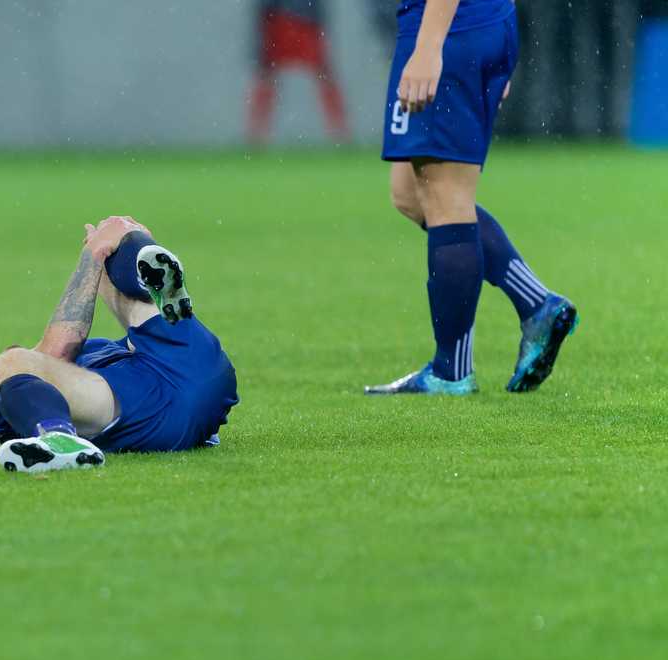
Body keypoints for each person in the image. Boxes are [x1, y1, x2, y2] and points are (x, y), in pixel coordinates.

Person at [366, 0, 579, 396]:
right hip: (475, 25)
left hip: (447, 29)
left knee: (445, 195)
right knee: (411, 194)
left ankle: (451, 372)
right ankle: (537, 305)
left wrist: (431, 47)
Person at [0, 217, 239, 473]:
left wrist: (122, 242)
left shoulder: (92, 357)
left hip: (182, 388)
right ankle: (55, 435)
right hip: (185, 388)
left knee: (113, 248)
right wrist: (91, 254)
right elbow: (58, 350)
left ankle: (145, 275)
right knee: (11, 363)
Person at [248, 0, 349, 143]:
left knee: (324, 77)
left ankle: (341, 134)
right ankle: (255, 137)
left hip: (301, 21)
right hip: (280, 19)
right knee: (266, 77)